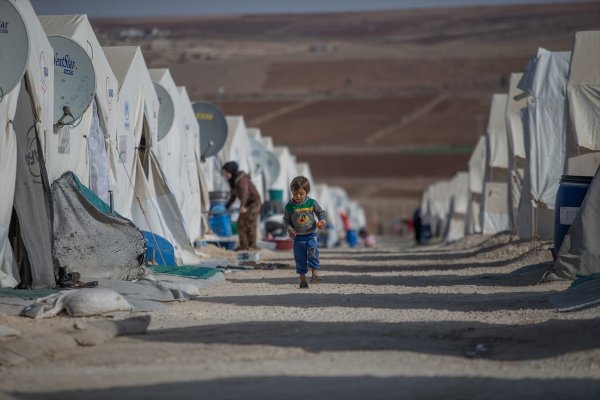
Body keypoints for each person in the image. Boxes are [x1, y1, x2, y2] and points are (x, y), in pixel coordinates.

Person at [283, 176, 327, 289]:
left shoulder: (311, 203)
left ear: (306, 192)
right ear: (291, 192)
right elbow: (286, 220)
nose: (298, 196)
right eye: (295, 193)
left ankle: (315, 275)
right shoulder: (289, 207)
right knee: (300, 259)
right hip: (298, 238)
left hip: (311, 235)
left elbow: (320, 212)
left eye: (301, 193)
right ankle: (303, 281)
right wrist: (289, 228)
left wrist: (322, 220)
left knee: (312, 252)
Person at [222, 161, 261, 251]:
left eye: (225, 172)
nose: (224, 175)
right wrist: (227, 206)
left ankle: (251, 246)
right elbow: (234, 195)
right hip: (247, 203)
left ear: (231, 171)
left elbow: (245, 194)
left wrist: (242, 206)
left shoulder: (241, 181)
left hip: (253, 203)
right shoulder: (234, 181)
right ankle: (244, 245)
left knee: (248, 223)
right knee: (241, 223)